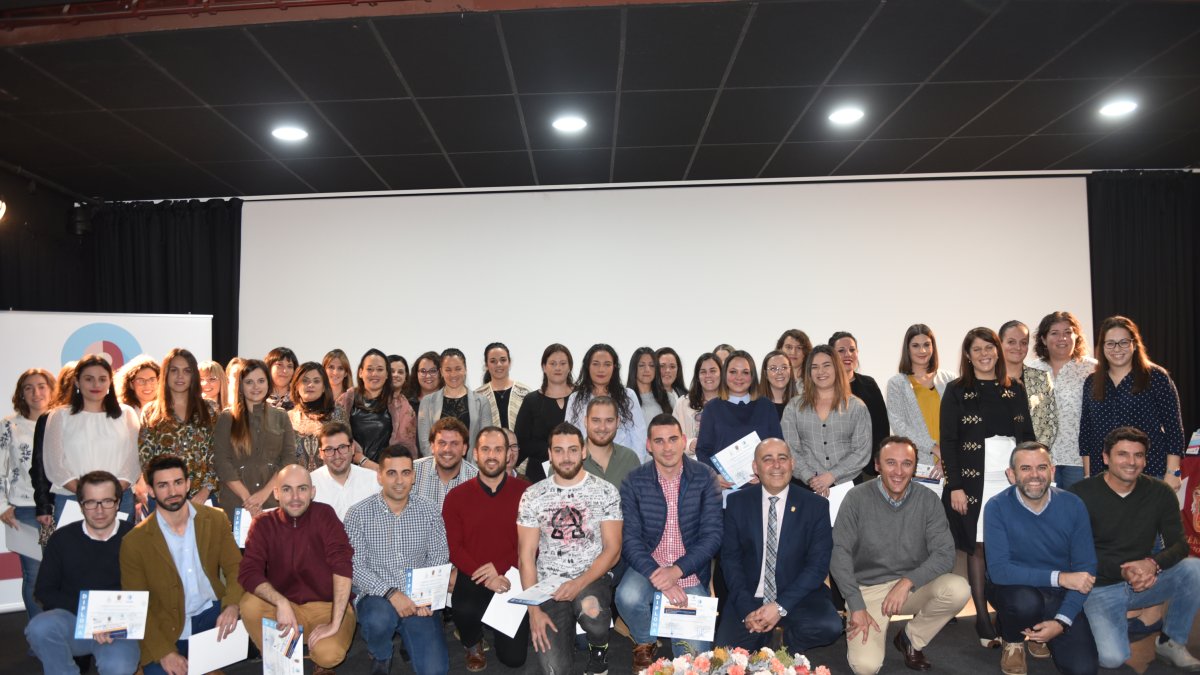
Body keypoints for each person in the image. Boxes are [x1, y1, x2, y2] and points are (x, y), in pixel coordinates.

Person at [831, 437, 969, 675]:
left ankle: (910, 638)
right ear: (877, 466)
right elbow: (839, 554)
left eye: (906, 464)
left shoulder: (927, 499)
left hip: (911, 587)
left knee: (958, 589)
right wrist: (855, 605)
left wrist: (907, 581)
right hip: (868, 590)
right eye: (890, 463)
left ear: (914, 467)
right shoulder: (856, 499)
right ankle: (870, 625)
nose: (898, 471)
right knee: (866, 667)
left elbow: (945, 554)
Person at [1071, 426, 1200, 670]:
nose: (1131, 462)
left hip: (1144, 581)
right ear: (1106, 458)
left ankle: (1172, 642)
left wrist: (1152, 564)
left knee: (1194, 569)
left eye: (1138, 455)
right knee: (1112, 659)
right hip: (1099, 587)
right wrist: (1123, 571)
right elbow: (1074, 555)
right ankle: (1089, 622)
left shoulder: (1160, 492)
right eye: (1123, 454)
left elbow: (1180, 545)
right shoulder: (1079, 495)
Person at [941, 327, 1036, 648]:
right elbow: (950, 441)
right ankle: (982, 619)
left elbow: (1027, 439)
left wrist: (1029, 480)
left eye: (989, 348)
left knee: (1012, 549)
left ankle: (1011, 615)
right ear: (968, 355)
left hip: (1011, 482)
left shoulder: (1015, 389)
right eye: (977, 350)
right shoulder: (956, 391)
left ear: (997, 351)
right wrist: (955, 486)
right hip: (973, 483)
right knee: (978, 548)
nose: (984, 355)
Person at [617, 414, 723, 670]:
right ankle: (645, 643)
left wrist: (676, 571)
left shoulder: (706, 477)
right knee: (627, 596)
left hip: (688, 570)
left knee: (692, 662)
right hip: (648, 566)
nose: (667, 447)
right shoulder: (634, 481)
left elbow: (713, 536)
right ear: (648, 445)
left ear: (684, 440)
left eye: (673, 439)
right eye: (659, 441)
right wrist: (658, 575)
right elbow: (630, 539)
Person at [121, 455, 243, 675]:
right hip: (165, 627)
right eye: (163, 485)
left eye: (178, 482)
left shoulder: (215, 519)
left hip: (211, 617)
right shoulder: (134, 542)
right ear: (150, 490)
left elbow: (236, 567)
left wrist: (232, 605)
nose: (172, 491)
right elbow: (136, 606)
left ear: (188, 484)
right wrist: (164, 652)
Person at [517, 422, 622, 675]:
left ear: (584, 451)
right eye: (559, 450)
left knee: (593, 613)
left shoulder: (606, 491)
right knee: (554, 669)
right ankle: (566, 641)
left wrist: (577, 584)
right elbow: (526, 557)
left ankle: (599, 649)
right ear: (550, 454)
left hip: (591, 576)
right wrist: (533, 611)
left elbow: (613, 550)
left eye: (573, 450)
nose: (566, 457)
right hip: (549, 585)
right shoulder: (532, 495)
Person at [984, 442, 1098, 675]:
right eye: (1025, 468)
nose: (1034, 475)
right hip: (1013, 589)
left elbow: (1086, 570)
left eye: (1041, 467)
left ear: (1052, 471)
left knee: (1084, 669)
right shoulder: (996, 507)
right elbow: (999, 571)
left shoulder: (1073, 505)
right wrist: (1061, 578)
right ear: (1011, 474)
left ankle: (1040, 632)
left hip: (1058, 596)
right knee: (1025, 602)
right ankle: (1013, 638)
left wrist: (1062, 622)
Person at [721, 438, 842, 656]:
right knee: (724, 655)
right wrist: (748, 610)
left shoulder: (816, 506)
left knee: (830, 626)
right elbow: (730, 560)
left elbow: (818, 566)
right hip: (750, 596)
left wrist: (779, 606)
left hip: (797, 595)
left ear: (792, 464)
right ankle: (766, 636)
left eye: (782, 458)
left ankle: (779, 647)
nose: (776, 465)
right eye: (768, 459)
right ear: (755, 467)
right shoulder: (737, 503)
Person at [238, 464, 356, 675]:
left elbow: (342, 565)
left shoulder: (325, 515)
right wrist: (281, 601)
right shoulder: (263, 524)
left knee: (328, 656)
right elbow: (248, 571)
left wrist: (334, 622)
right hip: (286, 608)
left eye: (302, 488)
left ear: (312, 492)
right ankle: (283, 660)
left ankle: (319, 660)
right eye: (286, 489)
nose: (295, 496)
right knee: (249, 604)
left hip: (327, 606)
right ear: (276, 493)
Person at [344, 444, 450, 675]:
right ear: (380, 476)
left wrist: (427, 597)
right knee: (377, 620)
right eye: (391, 473)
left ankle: (407, 637)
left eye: (405, 473)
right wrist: (391, 593)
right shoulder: (358, 514)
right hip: (377, 598)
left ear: (413, 476)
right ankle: (381, 654)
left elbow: (439, 558)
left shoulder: (430, 511)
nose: (399, 480)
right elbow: (354, 566)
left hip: (419, 600)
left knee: (435, 671)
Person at [25, 471, 140, 675]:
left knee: (119, 667)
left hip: (119, 625)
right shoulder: (62, 539)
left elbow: (149, 590)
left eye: (107, 501)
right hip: (75, 620)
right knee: (39, 628)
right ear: (80, 505)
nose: (99, 510)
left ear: (118, 502)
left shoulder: (136, 538)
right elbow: (44, 590)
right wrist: (92, 618)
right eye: (91, 502)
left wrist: (111, 621)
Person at [442, 426, 531, 671]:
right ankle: (472, 642)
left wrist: (501, 571)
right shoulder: (456, 496)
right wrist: (486, 576)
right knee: (465, 608)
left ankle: (495, 622)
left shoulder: (526, 493)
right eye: (486, 449)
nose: (492, 455)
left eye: (498, 449)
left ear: (508, 455)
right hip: (474, 574)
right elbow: (454, 548)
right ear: (475, 454)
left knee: (514, 660)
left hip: (513, 575)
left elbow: (532, 545)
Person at [1079, 315, 1184, 486]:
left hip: (1150, 471)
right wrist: (1088, 476)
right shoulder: (1092, 381)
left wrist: (1173, 472)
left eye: (1124, 342)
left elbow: (1174, 429)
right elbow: (1087, 432)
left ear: (1134, 344)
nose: (1117, 348)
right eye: (1110, 343)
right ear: (1102, 347)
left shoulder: (1156, 377)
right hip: (1104, 475)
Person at [43, 354, 140, 519]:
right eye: (89, 379)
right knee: (73, 546)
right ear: (77, 381)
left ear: (110, 382)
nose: (96, 384)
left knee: (118, 546)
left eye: (102, 379)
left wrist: (110, 494)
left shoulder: (127, 414)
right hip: (72, 498)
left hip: (119, 499)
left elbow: (134, 462)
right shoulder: (59, 416)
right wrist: (87, 494)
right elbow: (55, 465)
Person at [1, 367, 54, 620]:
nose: (36, 392)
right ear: (21, 394)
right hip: (25, 509)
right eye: (29, 387)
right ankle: (38, 634)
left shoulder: (61, 421)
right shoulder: (9, 426)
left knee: (63, 573)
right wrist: (2, 505)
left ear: (51, 389)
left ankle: (62, 634)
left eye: (42, 386)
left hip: (62, 506)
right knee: (34, 575)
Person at [782, 344, 871, 495]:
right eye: (814, 367)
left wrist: (831, 476)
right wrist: (811, 478)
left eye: (826, 365)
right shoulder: (794, 407)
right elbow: (790, 449)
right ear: (808, 372)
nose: (820, 371)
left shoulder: (857, 407)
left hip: (848, 486)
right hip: (806, 487)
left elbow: (861, 451)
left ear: (837, 367)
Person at [213, 358, 296, 519]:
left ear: (268, 383)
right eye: (249, 382)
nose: (256, 386)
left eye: (261, 381)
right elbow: (221, 461)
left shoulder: (281, 417)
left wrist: (263, 494)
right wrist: (247, 498)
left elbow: (288, 459)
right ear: (241, 387)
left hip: (272, 501)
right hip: (236, 502)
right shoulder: (227, 418)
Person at [138, 348, 219, 508]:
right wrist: (163, 491)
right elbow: (146, 459)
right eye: (174, 370)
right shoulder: (151, 411)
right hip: (163, 498)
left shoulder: (210, 409)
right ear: (166, 374)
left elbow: (217, 454)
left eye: (186, 371)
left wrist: (205, 491)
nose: (180, 376)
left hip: (203, 498)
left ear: (193, 376)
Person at [1024, 312, 1097, 489]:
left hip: (1079, 459)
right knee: (1045, 512)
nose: (1062, 338)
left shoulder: (1092, 368)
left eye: (1068, 332)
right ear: (1043, 338)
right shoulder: (1030, 369)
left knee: (1077, 510)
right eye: (1054, 333)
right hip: (1040, 459)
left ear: (1076, 336)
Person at [696, 350, 783, 484]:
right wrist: (716, 476)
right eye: (733, 372)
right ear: (725, 374)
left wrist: (763, 473)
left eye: (745, 372)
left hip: (762, 487)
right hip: (726, 489)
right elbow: (703, 450)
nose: (739, 377)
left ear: (752, 376)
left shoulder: (766, 407)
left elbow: (778, 447)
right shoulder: (711, 409)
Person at [885, 324, 954, 476]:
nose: (922, 351)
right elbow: (899, 425)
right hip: (919, 463)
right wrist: (934, 448)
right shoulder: (897, 384)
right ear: (907, 349)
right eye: (916, 346)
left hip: (952, 460)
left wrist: (947, 455)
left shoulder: (950, 380)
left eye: (926, 345)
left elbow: (960, 422)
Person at [566, 343, 647, 461]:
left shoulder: (628, 396)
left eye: (607, 364)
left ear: (614, 367)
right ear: (587, 366)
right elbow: (569, 436)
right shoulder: (575, 398)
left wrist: (635, 466)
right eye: (596, 364)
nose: (601, 369)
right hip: (585, 464)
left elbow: (639, 436)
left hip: (622, 463)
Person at [338, 348, 417, 466]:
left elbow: (406, 446)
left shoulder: (401, 406)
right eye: (369, 369)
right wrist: (363, 461)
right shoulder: (346, 400)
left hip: (387, 472)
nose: (374, 374)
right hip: (350, 471)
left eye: (380, 369)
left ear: (386, 374)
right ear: (360, 372)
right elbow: (335, 436)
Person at [829, 332, 889, 479]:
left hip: (868, 470)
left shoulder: (869, 384)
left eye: (852, 349)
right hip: (835, 471)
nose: (847, 354)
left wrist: (879, 459)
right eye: (841, 351)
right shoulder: (825, 388)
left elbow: (881, 426)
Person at [998, 319, 1059, 457]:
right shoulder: (988, 380)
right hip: (997, 458)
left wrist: (1037, 452)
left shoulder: (1042, 378)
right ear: (999, 344)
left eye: (1023, 343)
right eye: (1011, 342)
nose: (1018, 347)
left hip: (1034, 458)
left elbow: (1051, 422)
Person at [514, 344, 574, 482]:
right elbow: (521, 441)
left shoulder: (580, 397)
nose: (558, 368)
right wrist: (555, 450)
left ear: (569, 366)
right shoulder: (531, 400)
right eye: (552, 363)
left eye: (562, 363)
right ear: (544, 367)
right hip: (539, 473)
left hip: (576, 469)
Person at [416, 348, 490, 456]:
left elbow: (485, 441)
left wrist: (472, 469)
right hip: (437, 468)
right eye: (448, 370)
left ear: (465, 369)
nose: (453, 374)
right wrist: (439, 467)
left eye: (458, 369)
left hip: (472, 469)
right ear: (441, 371)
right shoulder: (427, 402)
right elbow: (425, 444)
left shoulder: (481, 402)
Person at [286, 361, 348, 471]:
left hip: (331, 482)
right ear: (296, 386)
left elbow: (346, 453)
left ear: (324, 387)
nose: (310, 385)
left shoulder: (338, 414)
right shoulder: (288, 418)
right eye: (305, 381)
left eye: (316, 381)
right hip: (298, 484)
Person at [311, 421, 378, 520]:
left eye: (342, 447)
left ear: (352, 449)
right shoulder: (310, 483)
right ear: (321, 453)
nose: (337, 455)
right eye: (329, 449)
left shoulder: (373, 480)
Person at [413, 417, 479, 509]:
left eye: (454, 444)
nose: (447, 449)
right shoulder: (412, 471)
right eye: (442, 443)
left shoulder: (477, 480)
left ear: (464, 449)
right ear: (432, 446)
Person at [581, 396, 642, 489]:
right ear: (585, 421)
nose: (602, 427)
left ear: (618, 422)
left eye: (609, 420)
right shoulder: (568, 459)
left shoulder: (630, 459)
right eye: (596, 420)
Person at [672, 352, 720, 456]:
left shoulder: (730, 403)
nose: (708, 376)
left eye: (713, 371)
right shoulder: (683, 404)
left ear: (722, 373)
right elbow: (672, 436)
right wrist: (689, 444)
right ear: (697, 376)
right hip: (691, 465)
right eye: (703, 372)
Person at [475, 342, 531, 430]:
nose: (499, 365)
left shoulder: (524, 393)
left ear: (509, 362)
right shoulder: (477, 397)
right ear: (486, 365)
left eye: (503, 360)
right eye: (493, 361)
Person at [628, 346, 674, 422]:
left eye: (652, 365)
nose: (647, 370)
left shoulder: (668, 398)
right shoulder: (625, 399)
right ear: (634, 368)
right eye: (642, 365)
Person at [758, 349, 795, 420]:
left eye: (784, 367)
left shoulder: (801, 405)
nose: (779, 372)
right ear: (765, 374)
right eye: (773, 368)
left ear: (790, 370)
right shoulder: (755, 405)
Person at [777, 329, 813, 395]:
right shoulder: (770, 378)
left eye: (799, 348)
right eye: (788, 347)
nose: (793, 352)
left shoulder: (814, 379)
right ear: (780, 349)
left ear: (806, 352)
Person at [264, 346, 298, 411]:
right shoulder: (259, 397)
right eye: (279, 365)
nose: (285, 370)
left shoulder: (300, 400)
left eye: (289, 366)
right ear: (269, 367)